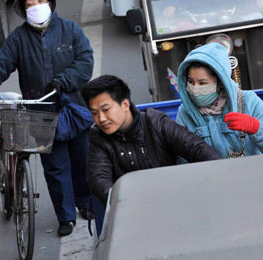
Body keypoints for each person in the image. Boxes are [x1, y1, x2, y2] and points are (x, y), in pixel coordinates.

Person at [0, 0, 94, 236]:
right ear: (22, 10)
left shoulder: (70, 30)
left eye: (39, 1)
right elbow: (1, 63)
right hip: (40, 113)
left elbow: (85, 62)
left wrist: (64, 80)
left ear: (49, 2)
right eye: (29, 4)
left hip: (73, 107)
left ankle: (86, 203)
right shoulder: (18, 39)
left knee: (81, 160)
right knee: (55, 166)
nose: (35, 6)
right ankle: (66, 216)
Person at [81, 75, 222, 236]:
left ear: (125, 104)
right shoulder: (98, 136)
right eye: (94, 113)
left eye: (106, 110)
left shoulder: (155, 122)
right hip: (130, 215)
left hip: (173, 206)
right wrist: (126, 203)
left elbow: (198, 149)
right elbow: (98, 179)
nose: (101, 119)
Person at [176, 42, 263, 157]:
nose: (195, 88)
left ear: (220, 81)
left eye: (202, 83)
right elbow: (181, 158)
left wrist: (256, 128)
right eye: (191, 82)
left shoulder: (249, 101)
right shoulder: (184, 113)